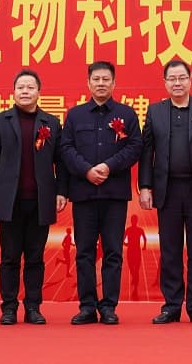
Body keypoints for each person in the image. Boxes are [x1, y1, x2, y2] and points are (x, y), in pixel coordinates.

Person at [139, 59, 192, 325]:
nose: (177, 83)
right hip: (167, 190)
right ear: (165, 82)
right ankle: (172, 305)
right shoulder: (155, 112)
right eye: (171, 79)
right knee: (170, 249)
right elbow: (146, 154)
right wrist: (145, 187)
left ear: (190, 80)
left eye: (181, 78)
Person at [59, 61, 143, 325]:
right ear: (88, 83)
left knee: (113, 251)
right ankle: (86, 306)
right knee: (84, 251)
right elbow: (66, 148)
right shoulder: (75, 115)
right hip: (84, 193)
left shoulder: (127, 114)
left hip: (114, 193)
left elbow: (134, 147)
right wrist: (86, 170)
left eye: (106, 79)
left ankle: (108, 306)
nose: (101, 83)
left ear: (114, 83)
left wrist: (108, 166)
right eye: (96, 79)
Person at [0, 69, 68, 326]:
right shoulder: (0, 120)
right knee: (9, 257)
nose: (25, 91)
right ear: (14, 91)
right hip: (10, 200)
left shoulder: (51, 122)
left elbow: (60, 162)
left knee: (35, 257)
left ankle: (33, 307)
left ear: (39, 92)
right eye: (20, 87)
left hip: (40, 201)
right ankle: (8, 308)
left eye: (30, 87)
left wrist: (61, 191)